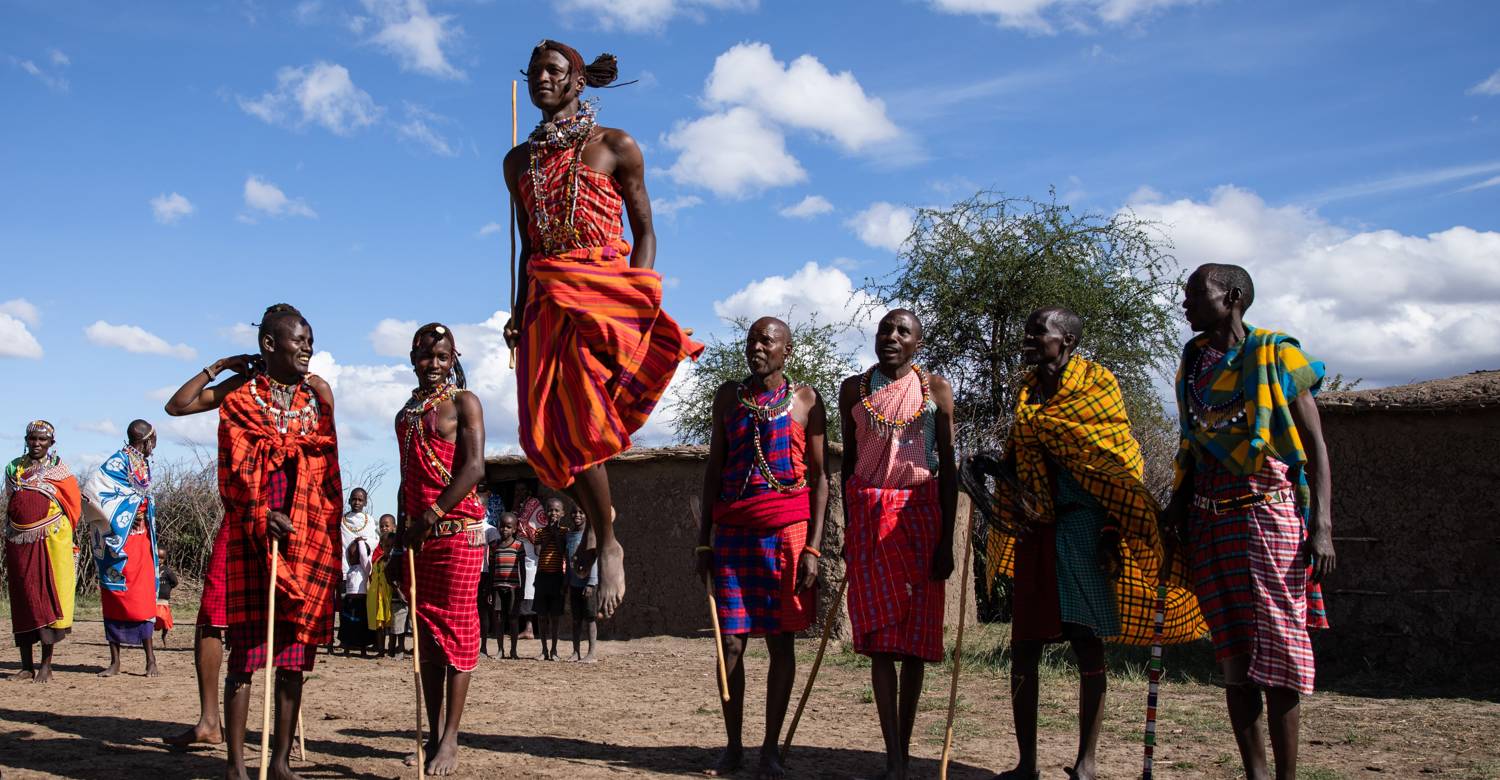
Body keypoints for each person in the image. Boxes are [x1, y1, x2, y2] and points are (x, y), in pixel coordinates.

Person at [503, 39, 703, 619]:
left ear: (577, 81)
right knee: (543, 435)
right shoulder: (519, 163)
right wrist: (518, 312)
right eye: (535, 69)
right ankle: (604, 521)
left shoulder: (615, 146)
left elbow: (645, 230)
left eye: (554, 70)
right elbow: (528, 248)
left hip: (604, 292)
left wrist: (634, 301)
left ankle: (608, 542)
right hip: (545, 298)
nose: (542, 77)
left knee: (586, 417)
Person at [977, 307, 1207, 780]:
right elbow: (1022, 460)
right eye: (1028, 329)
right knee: (1024, 645)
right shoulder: (1027, 391)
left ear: (1068, 341)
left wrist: (1109, 533)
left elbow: (1118, 467)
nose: (1029, 337)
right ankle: (1027, 764)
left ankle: (1087, 761)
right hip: (1036, 529)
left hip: (1086, 528)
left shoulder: (1098, 387)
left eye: (1039, 331)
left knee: (1086, 643)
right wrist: (991, 469)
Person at [1162, 264, 1336, 780]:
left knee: (1280, 651)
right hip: (1211, 520)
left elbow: (1315, 447)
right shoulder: (1193, 362)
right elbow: (1192, 447)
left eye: (1196, 295)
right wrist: (1175, 510)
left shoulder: (1279, 354)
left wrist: (1322, 524)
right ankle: (1256, 774)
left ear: (1232, 297)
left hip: (1268, 515)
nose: (1186, 305)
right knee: (1234, 656)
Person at [164, 303, 342, 780]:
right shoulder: (241, 393)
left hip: (301, 534)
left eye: (310, 339)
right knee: (243, 649)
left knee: (294, 651)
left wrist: (309, 517)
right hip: (250, 528)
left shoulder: (315, 396)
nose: (308, 347)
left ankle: (280, 762)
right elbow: (179, 408)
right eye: (298, 339)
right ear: (269, 345)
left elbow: (326, 462)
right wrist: (219, 365)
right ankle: (237, 766)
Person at [697, 316, 829, 779]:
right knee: (729, 641)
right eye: (753, 339)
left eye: (767, 341)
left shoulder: (807, 400)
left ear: (786, 351)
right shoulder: (729, 397)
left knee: (781, 641)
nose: (757, 347)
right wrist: (702, 542)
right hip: (732, 533)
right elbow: (714, 466)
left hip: (787, 534)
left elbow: (820, 479)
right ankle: (733, 747)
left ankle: (770, 749)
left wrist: (813, 549)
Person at [838, 309, 957, 780]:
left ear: (917, 344)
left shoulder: (936, 392)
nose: (890, 337)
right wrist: (850, 531)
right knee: (881, 644)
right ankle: (893, 757)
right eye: (884, 330)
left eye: (902, 332)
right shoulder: (855, 390)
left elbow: (949, 467)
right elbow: (849, 464)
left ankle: (905, 749)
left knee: (914, 645)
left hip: (921, 518)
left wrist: (946, 541)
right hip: (869, 521)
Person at [389, 322, 487, 776]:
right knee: (426, 640)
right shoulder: (405, 414)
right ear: (413, 358)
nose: (434, 365)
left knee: (459, 637)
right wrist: (397, 541)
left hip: (457, 534)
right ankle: (431, 736)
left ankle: (450, 739)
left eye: (443, 357)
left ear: (454, 359)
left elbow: (474, 468)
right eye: (426, 357)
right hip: (418, 541)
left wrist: (429, 517)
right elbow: (407, 481)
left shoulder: (464, 404)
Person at [83, 419, 163, 678]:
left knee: (143, 599)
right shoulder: (117, 462)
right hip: (118, 543)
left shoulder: (142, 463)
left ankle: (150, 660)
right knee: (115, 597)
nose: (155, 445)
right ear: (147, 439)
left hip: (141, 540)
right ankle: (115, 661)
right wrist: (129, 513)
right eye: (154, 439)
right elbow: (92, 494)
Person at [4, 420, 82, 683]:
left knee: (49, 597)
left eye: (42, 440)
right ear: (26, 439)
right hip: (18, 542)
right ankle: (26, 666)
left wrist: (60, 534)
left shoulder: (60, 470)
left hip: (51, 541)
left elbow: (73, 507)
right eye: (32, 439)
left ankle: (46, 665)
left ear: (51, 443)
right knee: (23, 598)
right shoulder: (14, 467)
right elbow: (10, 500)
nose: (36, 444)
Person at [339, 487, 380, 655]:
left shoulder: (369, 521)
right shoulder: (342, 521)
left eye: (360, 500)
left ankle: (363, 644)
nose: (357, 502)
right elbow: (341, 546)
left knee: (363, 610)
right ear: (349, 501)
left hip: (365, 572)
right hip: (347, 570)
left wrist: (364, 542)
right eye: (354, 499)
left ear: (365, 502)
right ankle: (346, 643)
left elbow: (375, 541)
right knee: (346, 608)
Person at [531, 497, 569, 661]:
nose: (552, 513)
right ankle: (544, 650)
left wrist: (556, 534)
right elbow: (538, 552)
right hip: (542, 577)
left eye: (556, 510)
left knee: (554, 616)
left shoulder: (565, 532)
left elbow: (562, 553)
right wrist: (549, 536)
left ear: (562, 513)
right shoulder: (540, 532)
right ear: (545, 513)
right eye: (550, 510)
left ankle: (554, 650)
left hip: (557, 577)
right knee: (541, 616)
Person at [489, 512, 526, 660]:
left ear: (515, 529)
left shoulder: (518, 546)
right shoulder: (495, 546)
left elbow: (522, 568)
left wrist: (522, 588)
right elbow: (492, 567)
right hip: (497, 586)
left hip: (513, 588)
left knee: (513, 618)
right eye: (502, 526)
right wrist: (490, 589)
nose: (504, 529)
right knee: (498, 618)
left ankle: (513, 650)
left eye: (508, 527)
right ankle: (500, 649)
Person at [564, 506, 597, 663]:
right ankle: (576, 652)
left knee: (590, 618)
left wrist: (591, 583)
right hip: (574, 583)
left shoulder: (590, 535)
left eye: (581, 512)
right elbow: (568, 560)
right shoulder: (569, 536)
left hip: (588, 584)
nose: (577, 515)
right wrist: (567, 582)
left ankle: (591, 653)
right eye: (574, 512)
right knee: (576, 619)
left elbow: (594, 560)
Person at [512, 481, 543, 640]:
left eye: (522, 489)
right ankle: (527, 628)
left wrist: (535, 541)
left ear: (529, 490)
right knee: (523, 589)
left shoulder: (534, 504)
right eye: (517, 490)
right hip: (523, 554)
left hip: (532, 553)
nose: (519, 492)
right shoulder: (520, 505)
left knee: (530, 589)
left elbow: (536, 524)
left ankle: (530, 628)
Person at [476, 482, 502, 659]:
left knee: (483, 610)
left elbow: (494, 557)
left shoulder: (490, 530)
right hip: (467, 573)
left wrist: (492, 580)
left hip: (483, 574)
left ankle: (483, 646)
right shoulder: (465, 526)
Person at [156, 560, 178, 647]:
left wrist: (167, 588)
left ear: (165, 558)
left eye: (161, 557)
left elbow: (175, 582)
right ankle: (147, 638)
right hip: (153, 599)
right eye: (158, 557)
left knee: (165, 621)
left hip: (163, 601)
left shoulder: (167, 571)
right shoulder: (151, 569)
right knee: (151, 620)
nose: (159, 559)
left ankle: (164, 636)